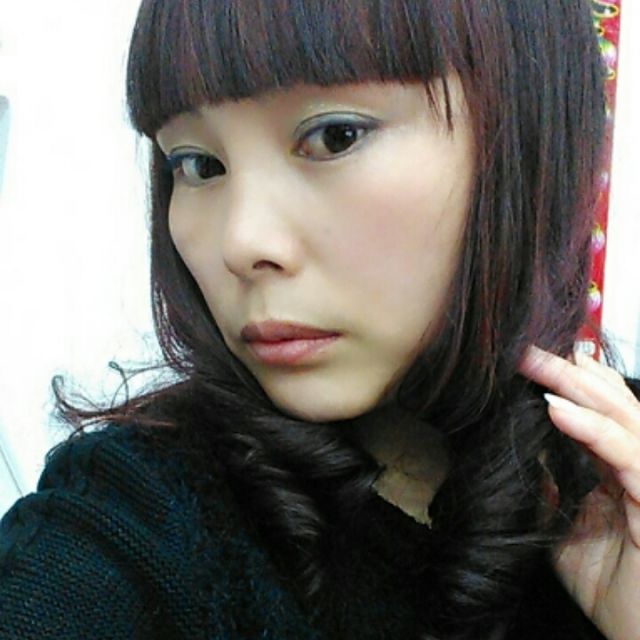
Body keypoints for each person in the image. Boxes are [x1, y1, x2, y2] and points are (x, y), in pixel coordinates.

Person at [1, 0, 639, 638]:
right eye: (198, 165)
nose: (241, 242)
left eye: (335, 136)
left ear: (527, 142)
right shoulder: (134, 516)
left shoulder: (621, 488)